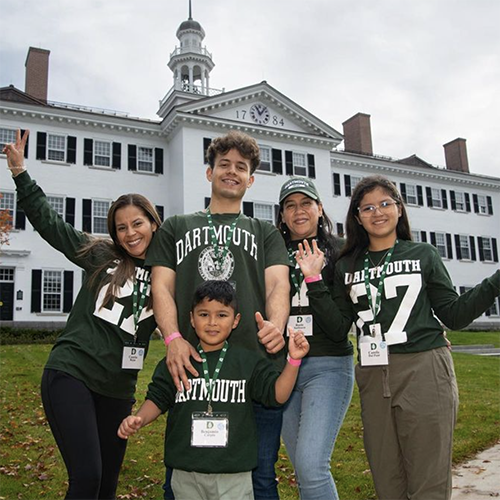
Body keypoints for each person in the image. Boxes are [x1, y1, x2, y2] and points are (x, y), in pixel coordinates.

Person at [296, 174, 500, 500]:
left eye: (385, 204)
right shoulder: (348, 263)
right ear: (358, 217)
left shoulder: (423, 254)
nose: (377, 212)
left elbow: (455, 315)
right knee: (388, 482)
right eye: (368, 207)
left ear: (399, 209)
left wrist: (495, 282)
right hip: (374, 374)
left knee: (427, 484)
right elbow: (337, 329)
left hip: (423, 368)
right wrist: (315, 281)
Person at [3, 130, 161, 500]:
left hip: (118, 391)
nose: (130, 233)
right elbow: (51, 225)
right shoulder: (100, 256)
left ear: (153, 223)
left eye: (137, 223)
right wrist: (20, 173)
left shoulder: (167, 276)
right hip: (72, 373)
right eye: (121, 227)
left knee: (105, 487)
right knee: (87, 477)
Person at [145, 130, 290, 500]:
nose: (232, 172)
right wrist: (174, 338)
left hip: (254, 369)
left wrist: (276, 325)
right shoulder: (177, 227)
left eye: (241, 167)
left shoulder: (265, 232)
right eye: (223, 164)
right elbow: (160, 287)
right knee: (181, 478)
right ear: (209, 173)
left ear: (251, 179)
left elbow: (278, 286)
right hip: (192, 369)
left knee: (260, 479)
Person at [118, 280, 309, 500]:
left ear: (235, 320)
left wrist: (293, 360)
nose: (212, 322)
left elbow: (277, 395)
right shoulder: (179, 361)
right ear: (191, 318)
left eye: (221, 315)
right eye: (203, 314)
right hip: (185, 470)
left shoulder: (248, 363)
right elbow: (158, 397)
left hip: (234, 474)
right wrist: (139, 418)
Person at [276, 177, 354, 500]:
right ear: (281, 215)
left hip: (328, 364)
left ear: (320, 209)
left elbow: (338, 328)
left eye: (306, 203)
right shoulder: (273, 252)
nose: (299, 211)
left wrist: (314, 278)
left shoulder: (341, 251)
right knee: (303, 467)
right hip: (283, 370)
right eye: (290, 205)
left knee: (311, 465)